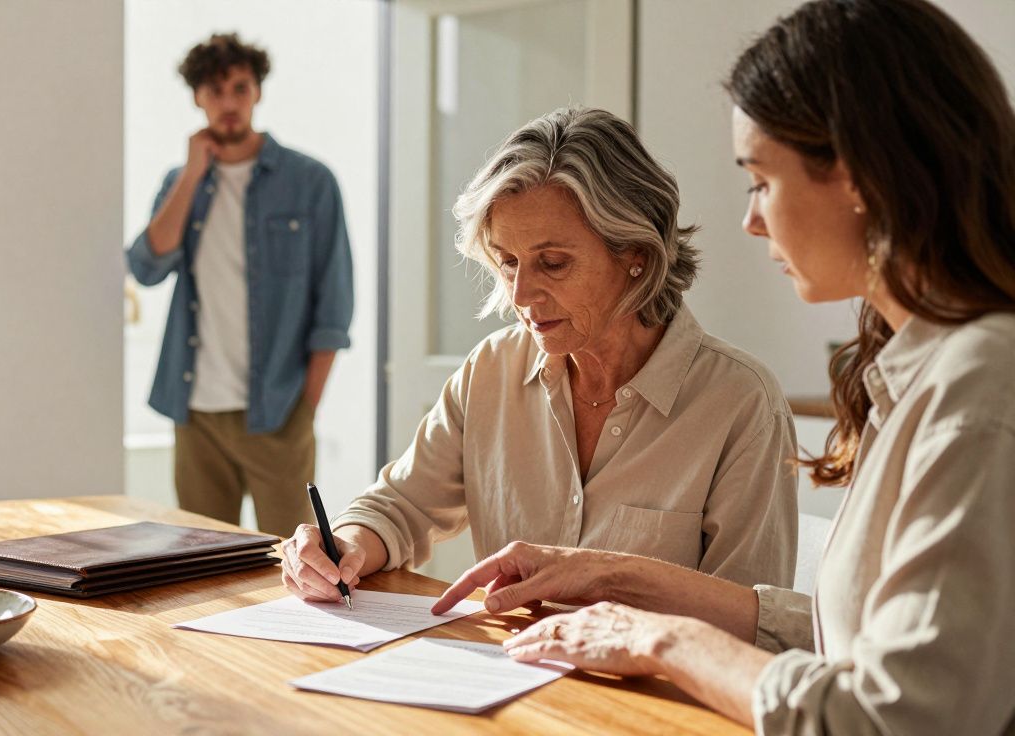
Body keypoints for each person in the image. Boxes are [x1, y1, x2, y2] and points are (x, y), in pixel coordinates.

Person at [432, 1, 1015, 733]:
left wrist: (663, 637)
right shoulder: (921, 371)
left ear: (861, 175)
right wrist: (617, 580)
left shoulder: (980, 392)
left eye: (761, 179)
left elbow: (894, 719)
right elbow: (863, 647)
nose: (752, 219)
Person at [280, 107, 799, 603]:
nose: (521, 294)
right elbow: (401, 505)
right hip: (510, 681)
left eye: (552, 263)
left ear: (636, 254)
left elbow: (749, 618)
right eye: (508, 263)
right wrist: (344, 544)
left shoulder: (739, 403)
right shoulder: (491, 370)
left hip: (653, 693)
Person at [128, 33, 354, 537]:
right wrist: (192, 174)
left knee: (296, 561)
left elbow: (333, 305)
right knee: (205, 559)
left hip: (277, 408)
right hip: (195, 411)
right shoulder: (180, 181)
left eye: (239, 88)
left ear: (257, 92)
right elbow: (146, 267)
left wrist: (305, 407)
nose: (228, 103)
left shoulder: (310, 181)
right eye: (215, 91)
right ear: (196, 97)